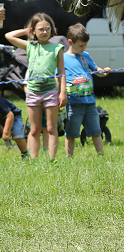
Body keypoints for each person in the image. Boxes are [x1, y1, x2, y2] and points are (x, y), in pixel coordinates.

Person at [5, 13, 66, 160]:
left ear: (52, 29)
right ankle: (33, 158)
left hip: (50, 91)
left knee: (51, 128)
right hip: (33, 91)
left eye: (47, 29)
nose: (44, 32)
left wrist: (62, 92)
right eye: (41, 29)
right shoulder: (30, 46)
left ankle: (52, 159)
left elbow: (62, 72)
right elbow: (9, 36)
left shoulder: (57, 48)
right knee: (35, 129)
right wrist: (28, 31)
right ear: (34, 30)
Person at [63, 23, 111, 157]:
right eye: (80, 45)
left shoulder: (85, 55)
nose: (83, 48)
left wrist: (104, 71)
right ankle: (69, 158)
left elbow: (96, 70)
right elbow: (58, 77)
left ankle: (101, 155)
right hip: (73, 102)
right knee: (71, 132)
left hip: (90, 102)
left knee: (96, 131)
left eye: (85, 45)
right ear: (70, 42)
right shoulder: (63, 58)